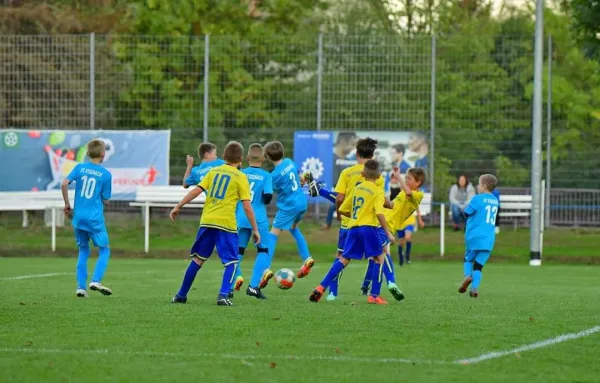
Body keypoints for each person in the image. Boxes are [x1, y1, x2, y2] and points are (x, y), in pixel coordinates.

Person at [170, 141, 260, 306]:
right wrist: (255, 229)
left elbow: (196, 190)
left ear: (224, 157)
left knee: (197, 260)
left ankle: (180, 295)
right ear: (241, 159)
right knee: (232, 262)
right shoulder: (240, 177)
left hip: (207, 221)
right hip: (226, 224)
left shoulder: (213, 171)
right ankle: (223, 295)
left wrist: (178, 206)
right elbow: (247, 206)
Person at [307, 137, 391, 301]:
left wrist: (339, 214)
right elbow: (379, 202)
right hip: (369, 225)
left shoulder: (347, 172)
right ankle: (373, 295)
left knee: (341, 257)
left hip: (349, 224)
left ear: (357, 153)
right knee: (378, 257)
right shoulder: (377, 177)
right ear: (372, 155)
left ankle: (328, 290)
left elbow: (340, 198)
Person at [360, 167, 427, 297]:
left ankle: (381, 287)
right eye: (406, 178)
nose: (406, 180)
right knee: (379, 254)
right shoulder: (402, 193)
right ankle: (383, 285)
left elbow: (408, 192)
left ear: (418, 182)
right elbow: (392, 205)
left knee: (380, 254)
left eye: (409, 178)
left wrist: (398, 175)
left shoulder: (418, 195)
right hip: (379, 222)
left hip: (388, 226)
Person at [61, 139, 113, 298]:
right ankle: (96, 280)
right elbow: (106, 199)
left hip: (79, 218)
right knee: (105, 249)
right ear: (103, 154)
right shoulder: (105, 174)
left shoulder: (79, 167)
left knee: (83, 250)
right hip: (94, 219)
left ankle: (80, 288)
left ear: (88, 153)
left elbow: (64, 183)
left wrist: (67, 204)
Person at [263, 141, 314, 279]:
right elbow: (301, 178)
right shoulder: (289, 162)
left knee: (272, 235)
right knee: (294, 228)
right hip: (301, 202)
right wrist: (302, 180)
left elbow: (269, 191)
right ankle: (307, 258)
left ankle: (265, 268)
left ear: (268, 157)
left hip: (289, 206)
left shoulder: (274, 176)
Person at [230, 144, 273, 299]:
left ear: (247, 158)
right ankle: (254, 286)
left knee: (238, 252)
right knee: (263, 251)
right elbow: (268, 197)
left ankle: (229, 286)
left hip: (241, 217)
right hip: (258, 219)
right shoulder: (266, 176)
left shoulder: (240, 173)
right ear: (263, 159)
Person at [458, 174, 499, 298]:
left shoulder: (477, 199)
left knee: (468, 259)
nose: (477, 186)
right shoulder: (495, 200)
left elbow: (467, 213)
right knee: (479, 266)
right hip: (488, 239)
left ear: (484, 186)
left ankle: (467, 276)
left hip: (474, 236)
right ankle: (474, 288)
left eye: (479, 183)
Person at [324, 132, 357, 229]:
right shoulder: (331, 159)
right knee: (335, 205)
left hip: (348, 191)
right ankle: (329, 224)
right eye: (351, 144)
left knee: (335, 206)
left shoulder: (347, 160)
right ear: (342, 142)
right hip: (340, 190)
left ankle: (329, 224)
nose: (352, 148)